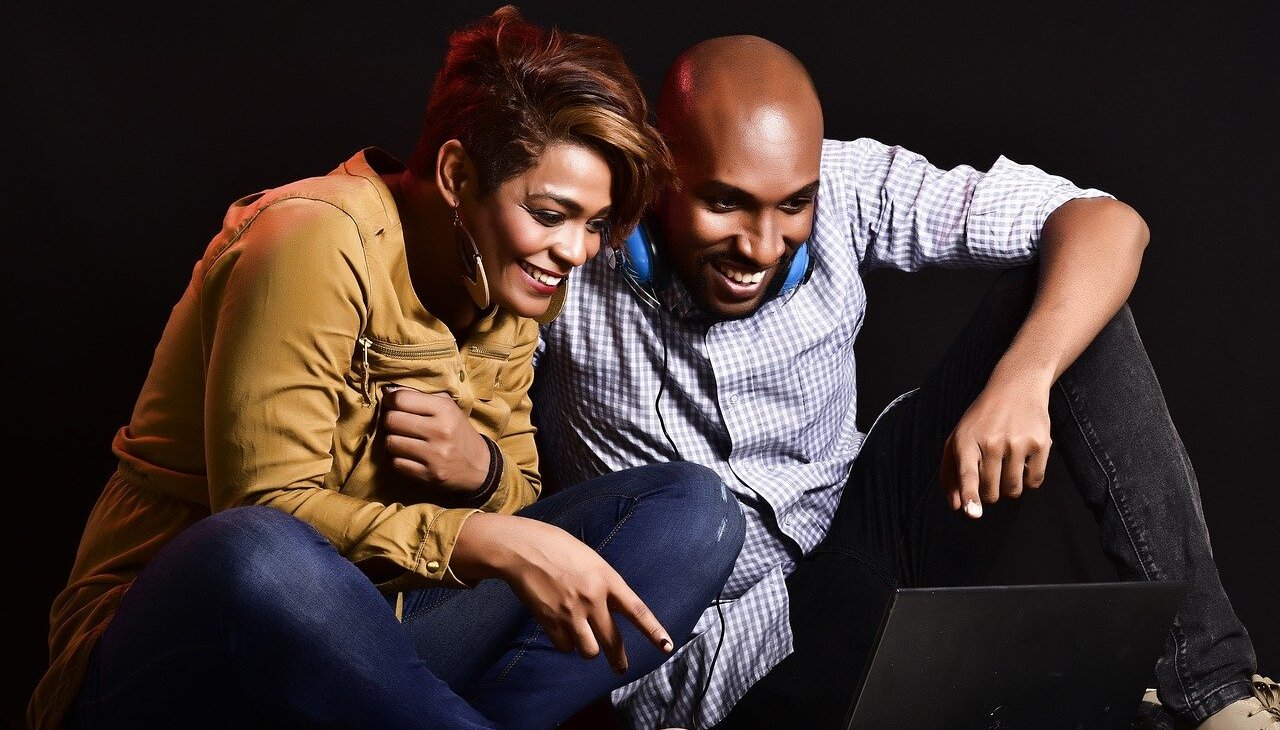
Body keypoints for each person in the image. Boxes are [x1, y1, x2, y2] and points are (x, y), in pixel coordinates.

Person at [513, 35, 1277, 730]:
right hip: (721, 653)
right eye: (725, 203)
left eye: (793, 206)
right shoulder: (572, 250)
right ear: (658, 171)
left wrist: (1024, 375)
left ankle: (1216, 696)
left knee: (1065, 303)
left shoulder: (849, 186)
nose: (762, 245)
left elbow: (1109, 223)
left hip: (864, 542)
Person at [27, 8, 746, 730]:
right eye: (551, 213)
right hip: (182, 660)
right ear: (458, 174)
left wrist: (482, 473)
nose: (576, 251)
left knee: (694, 515)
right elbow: (267, 516)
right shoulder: (311, 237)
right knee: (257, 549)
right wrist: (476, 537)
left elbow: (522, 502)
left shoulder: (511, 285)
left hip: (383, 654)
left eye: (593, 224)